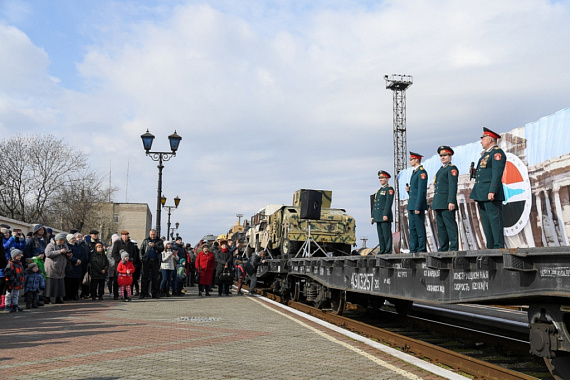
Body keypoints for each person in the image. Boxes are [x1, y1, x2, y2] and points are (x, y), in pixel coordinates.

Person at [469, 127, 507, 249]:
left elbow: (497, 173)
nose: (481, 141)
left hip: (490, 192)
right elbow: (485, 172)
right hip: (481, 193)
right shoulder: (486, 154)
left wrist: (492, 190)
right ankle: (490, 246)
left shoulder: (497, 153)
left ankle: (498, 245)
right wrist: (474, 172)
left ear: (490, 139)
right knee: (486, 221)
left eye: (483, 139)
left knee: (495, 220)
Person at [433, 146, 459, 252]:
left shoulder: (451, 169)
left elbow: (453, 186)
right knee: (441, 226)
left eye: (445, 155)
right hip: (439, 202)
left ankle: (453, 247)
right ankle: (443, 247)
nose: (443, 157)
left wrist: (451, 201)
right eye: (441, 156)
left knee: (450, 225)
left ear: (450, 156)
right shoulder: (441, 170)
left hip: (446, 202)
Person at [45, 232, 79, 304]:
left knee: (60, 284)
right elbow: (48, 253)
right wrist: (59, 251)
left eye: (63, 240)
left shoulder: (65, 245)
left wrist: (68, 254)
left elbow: (69, 256)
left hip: (61, 268)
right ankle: (51, 299)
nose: (61, 242)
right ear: (56, 240)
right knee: (52, 284)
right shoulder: (50, 245)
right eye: (60, 240)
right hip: (52, 267)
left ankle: (59, 298)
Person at [406, 152, 428, 253]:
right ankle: (413, 248)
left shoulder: (421, 172)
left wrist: (418, 206)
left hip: (416, 205)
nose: (410, 161)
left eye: (411, 159)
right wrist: (408, 190)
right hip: (411, 204)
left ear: (416, 160)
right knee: (412, 228)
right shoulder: (415, 172)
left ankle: (421, 248)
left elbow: (421, 191)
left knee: (419, 228)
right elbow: (414, 190)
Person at [371, 170, 394, 254]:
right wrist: (373, 215)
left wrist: (385, 214)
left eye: (382, 178)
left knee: (386, 234)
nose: (380, 179)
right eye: (379, 178)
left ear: (387, 178)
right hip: (378, 215)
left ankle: (388, 250)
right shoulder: (379, 190)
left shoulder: (389, 189)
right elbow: (376, 204)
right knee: (380, 235)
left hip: (384, 216)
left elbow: (388, 203)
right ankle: (382, 249)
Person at [111, 230, 138, 300]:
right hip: (120, 265)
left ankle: (126, 295)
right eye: (125, 235)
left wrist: (132, 260)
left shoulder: (131, 244)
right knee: (117, 279)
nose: (126, 236)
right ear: (122, 236)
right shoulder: (117, 243)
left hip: (128, 264)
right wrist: (119, 260)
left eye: (127, 235)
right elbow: (114, 253)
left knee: (127, 281)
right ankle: (116, 294)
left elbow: (135, 254)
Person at [139, 229, 164, 299]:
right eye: (151, 235)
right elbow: (141, 250)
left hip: (155, 261)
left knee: (155, 278)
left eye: (154, 234)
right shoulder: (145, 241)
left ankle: (155, 293)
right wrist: (141, 258)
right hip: (146, 261)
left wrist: (154, 246)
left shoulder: (159, 241)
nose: (152, 236)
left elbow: (161, 248)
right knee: (144, 277)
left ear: (156, 234)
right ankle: (143, 293)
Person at [64, 234, 86, 300]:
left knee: (76, 281)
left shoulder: (78, 246)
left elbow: (83, 254)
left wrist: (80, 261)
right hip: (70, 265)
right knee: (69, 281)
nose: (73, 240)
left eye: (74, 238)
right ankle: (68, 295)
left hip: (78, 266)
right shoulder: (67, 246)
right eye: (72, 239)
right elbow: (68, 255)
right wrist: (75, 260)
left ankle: (75, 295)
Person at [4, 248, 25, 312]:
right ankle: (7, 305)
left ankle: (15, 305)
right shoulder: (11, 264)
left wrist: (21, 279)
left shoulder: (19, 263)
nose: (20, 257)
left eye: (20, 255)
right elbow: (8, 273)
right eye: (18, 255)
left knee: (16, 294)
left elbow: (21, 272)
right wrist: (12, 279)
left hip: (18, 281)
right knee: (9, 294)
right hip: (11, 282)